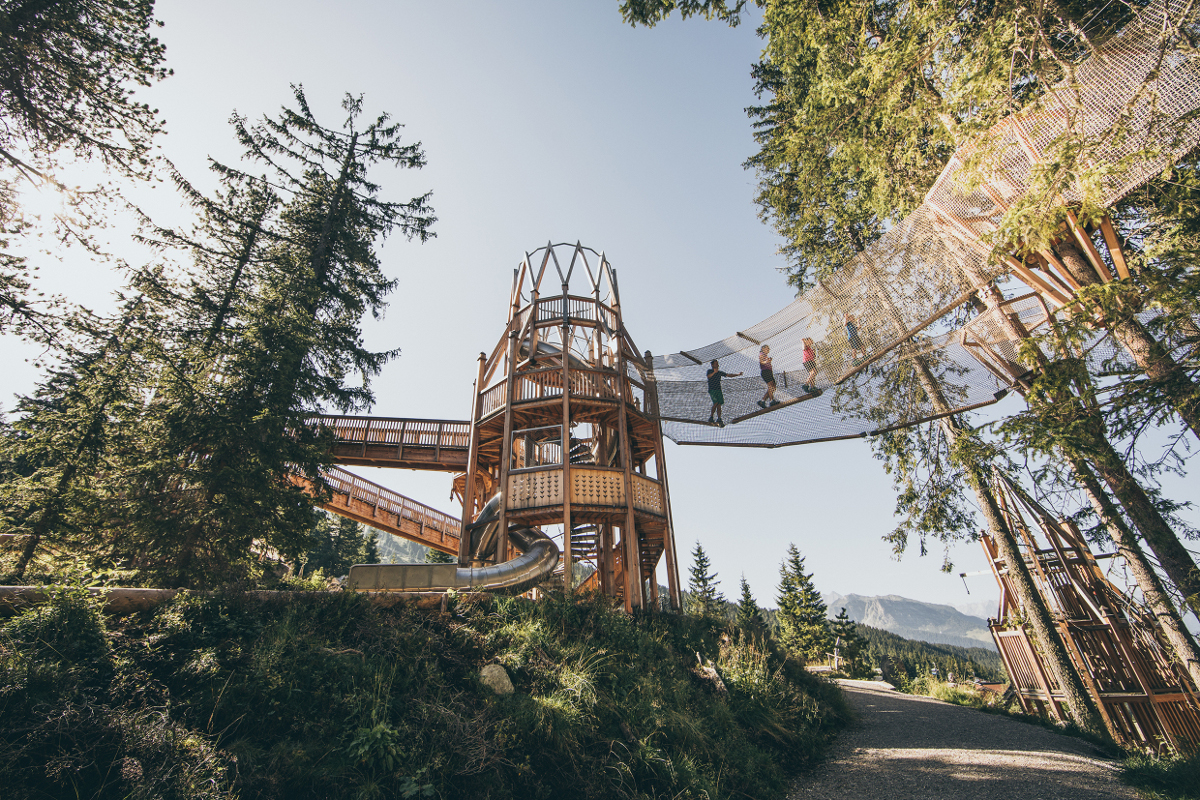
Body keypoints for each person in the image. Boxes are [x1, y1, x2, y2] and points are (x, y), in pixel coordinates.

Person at [706, 359, 741, 426]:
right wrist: (714, 372)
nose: (717, 365)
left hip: (719, 390)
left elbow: (728, 375)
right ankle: (711, 417)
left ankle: (719, 418)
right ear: (712, 365)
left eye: (717, 363)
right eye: (716, 363)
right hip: (712, 390)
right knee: (715, 402)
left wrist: (738, 374)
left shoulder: (719, 372)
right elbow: (708, 376)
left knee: (719, 404)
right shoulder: (710, 371)